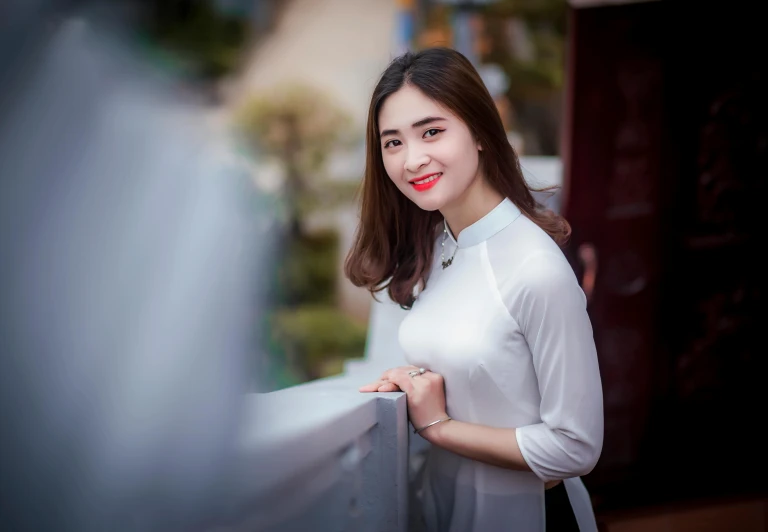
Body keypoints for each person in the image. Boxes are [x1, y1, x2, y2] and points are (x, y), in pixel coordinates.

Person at [345, 47, 603, 531]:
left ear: (481, 132)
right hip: (449, 507)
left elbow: (576, 446)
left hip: (529, 516)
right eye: (392, 142)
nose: (411, 159)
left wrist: (439, 426)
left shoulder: (535, 269)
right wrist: (415, 380)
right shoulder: (444, 244)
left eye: (431, 131)